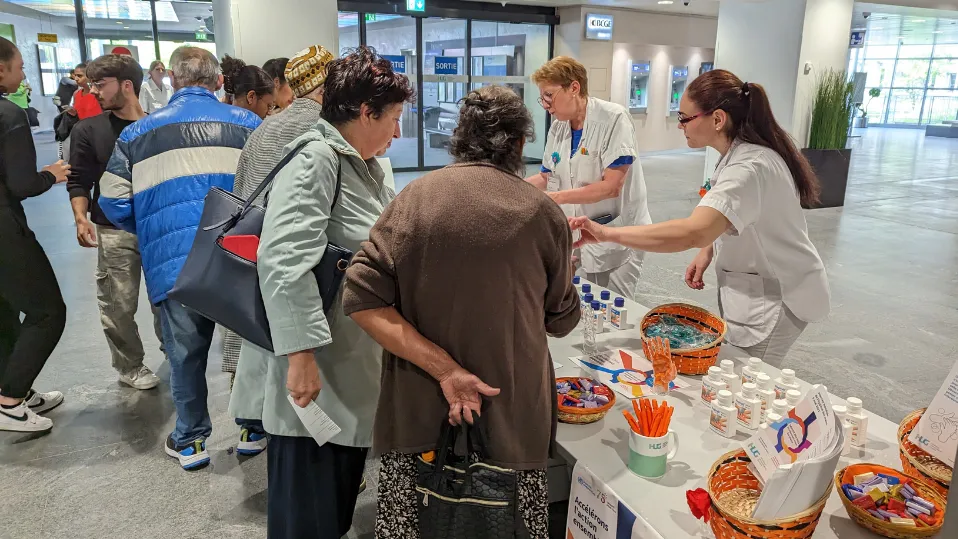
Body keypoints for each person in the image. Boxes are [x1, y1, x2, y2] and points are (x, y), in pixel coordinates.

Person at [344, 85, 580, 538]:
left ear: (459, 138)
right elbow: (561, 319)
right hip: (508, 410)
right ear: (518, 143)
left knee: (410, 522)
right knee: (508, 523)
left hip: (419, 409)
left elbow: (360, 295)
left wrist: (445, 369)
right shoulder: (541, 213)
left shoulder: (414, 199)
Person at [229, 46, 410, 539]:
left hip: (342, 363)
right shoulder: (316, 159)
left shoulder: (357, 161)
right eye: (392, 118)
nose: (398, 131)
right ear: (364, 112)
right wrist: (300, 357)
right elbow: (284, 261)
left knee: (331, 502)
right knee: (309, 509)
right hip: (314, 371)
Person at [570, 69, 830, 366]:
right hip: (754, 284)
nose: (680, 125)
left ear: (718, 119)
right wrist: (709, 249)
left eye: (684, 118)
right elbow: (729, 217)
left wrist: (608, 233)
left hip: (778, 293)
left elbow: (693, 231)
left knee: (746, 380)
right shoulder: (738, 157)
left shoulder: (749, 168)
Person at [98, 46, 262, 469]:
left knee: (185, 353)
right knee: (244, 344)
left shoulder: (136, 135)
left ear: (172, 79)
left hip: (171, 261)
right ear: (220, 82)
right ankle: (252, 427)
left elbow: (112, 200)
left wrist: (151, 229)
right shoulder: (249, 125)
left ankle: (190, 441)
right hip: (235, 255)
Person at [220, 44, 334, 457]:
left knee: (259, 343)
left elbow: (240, 195)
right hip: (301, 261)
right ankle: (313, 446)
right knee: (302, 354)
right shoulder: (326, 129)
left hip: (251, 255)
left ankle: (255, 426)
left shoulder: (265, 126)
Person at [66, 54, 164, 390]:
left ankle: (177, 353)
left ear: (126, 85)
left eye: (100, 84)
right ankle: (129, 365)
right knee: (117, 303)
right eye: (91, 83)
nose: (93, 91)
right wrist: (81, 217)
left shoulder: (158, 126)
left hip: (158, 228)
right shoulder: (88, 130)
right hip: (113, 229)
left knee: (167, 299)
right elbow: (78, 179)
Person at [526, 56, 651, 301]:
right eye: (542, 97)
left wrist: (556, 197)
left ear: (574, 88)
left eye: (549, 95)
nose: (545, 104)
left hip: (618, 232)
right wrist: (510, 188)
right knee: (582, 305)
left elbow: (611, 187)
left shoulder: (614, 119)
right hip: (580, 232)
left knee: (615, 309)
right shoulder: (559, 126)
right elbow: (546, 176)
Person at [0, 37, 71, 433]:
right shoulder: (10, 115)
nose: (24, 74)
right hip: (5, 230)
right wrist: (52, 174)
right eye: (20, 66)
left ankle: (14, 388)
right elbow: (23, 183)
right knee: (48, 312)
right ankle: (10, 402)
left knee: (5, 310)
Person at [220, 55, 274, 119]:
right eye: (269, 106)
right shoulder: (246, 127)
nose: (269, 113)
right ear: (251, 97)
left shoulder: (223, 119)